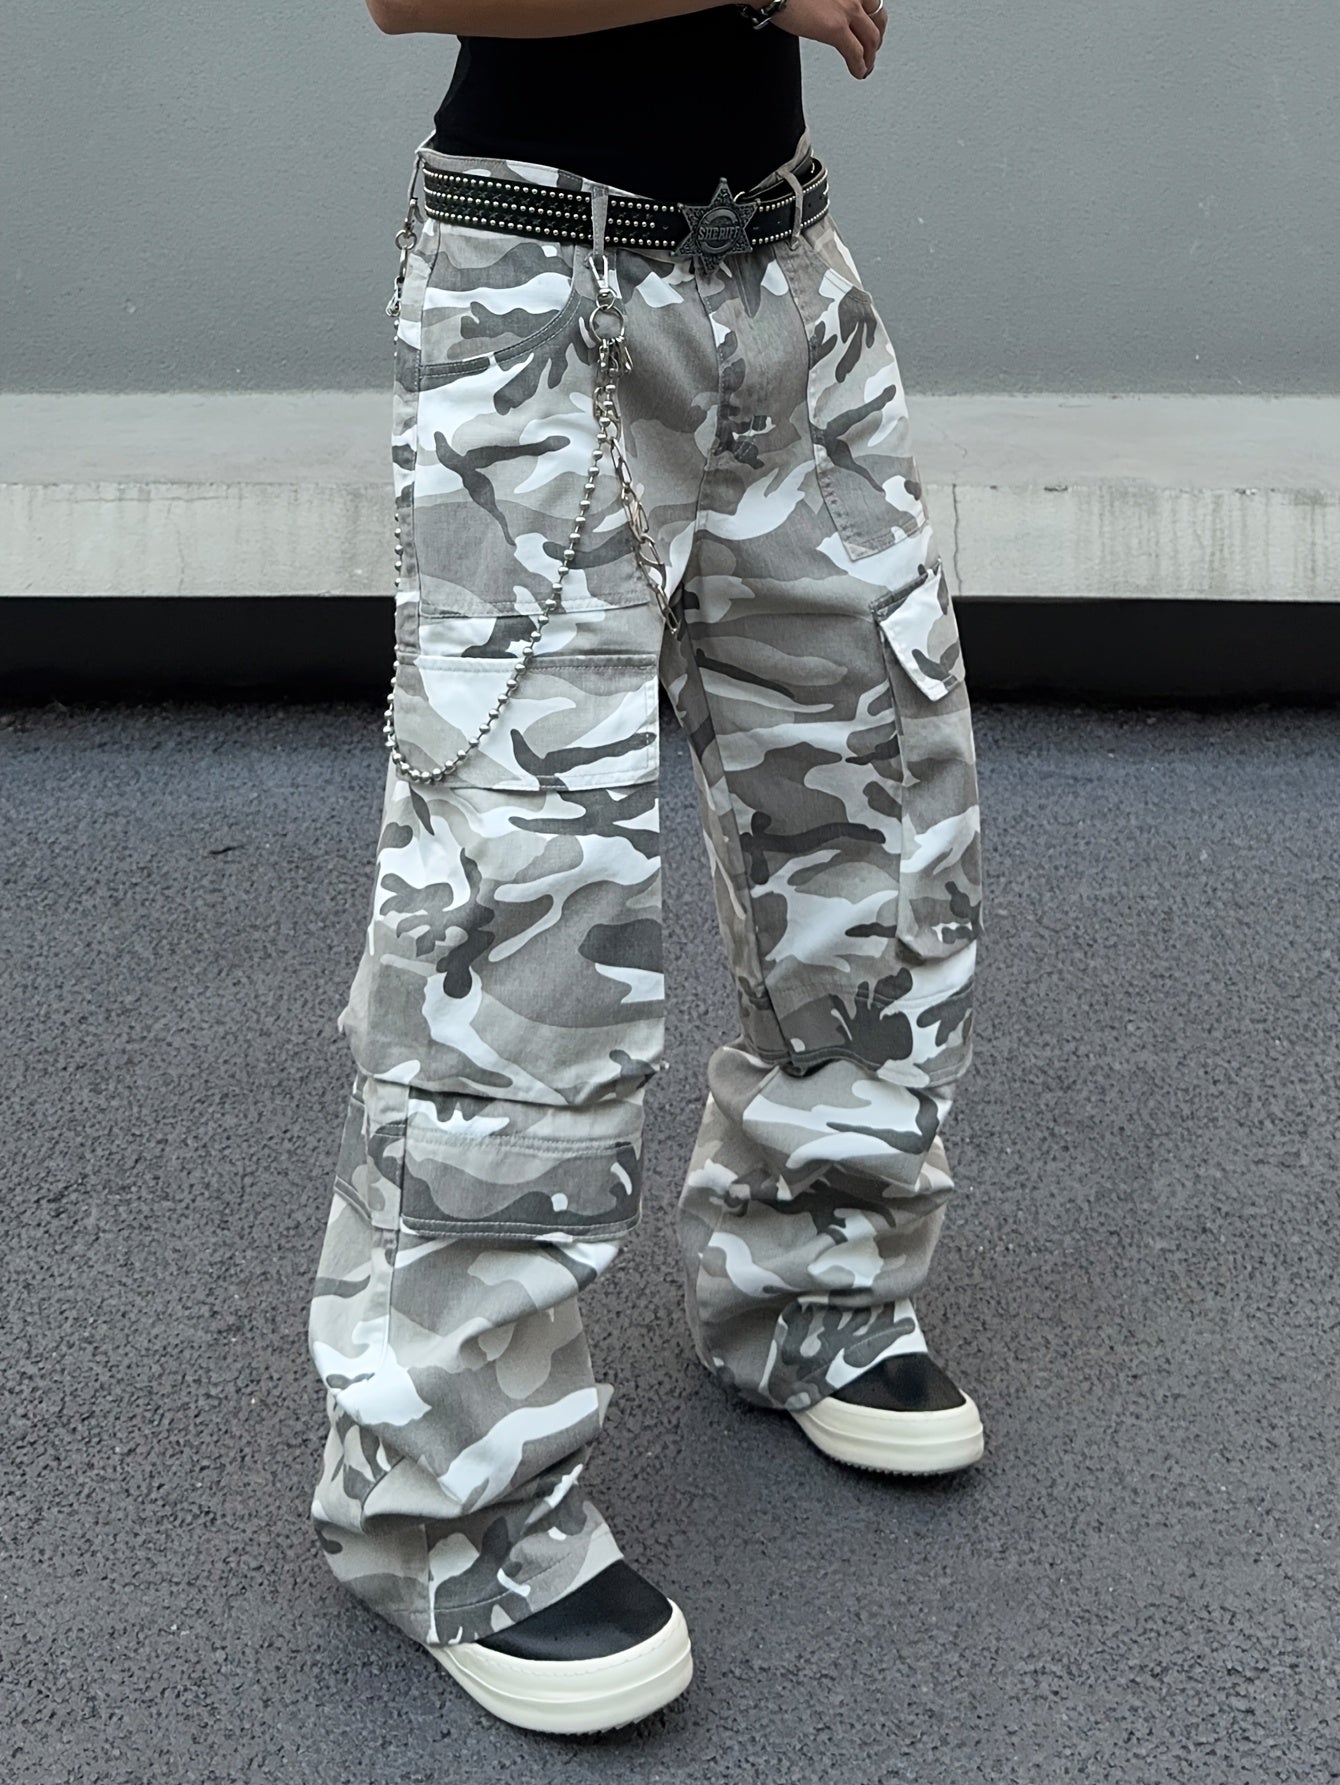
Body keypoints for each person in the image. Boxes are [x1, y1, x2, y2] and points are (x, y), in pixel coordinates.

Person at [307, 0, 987, 1737]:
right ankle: (445, 1505)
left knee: (878, 803)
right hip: (541, 289)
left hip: (779, 264)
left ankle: (814, 1271)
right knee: (527, 909)